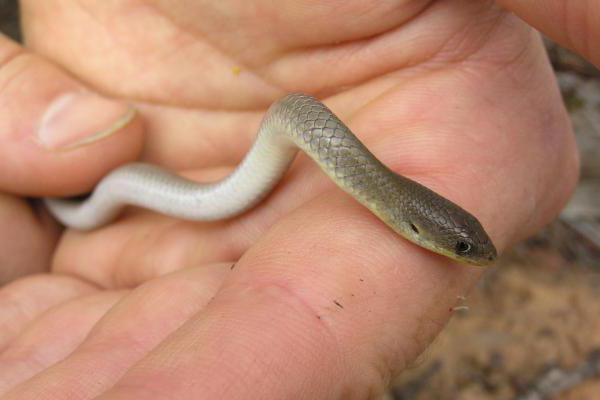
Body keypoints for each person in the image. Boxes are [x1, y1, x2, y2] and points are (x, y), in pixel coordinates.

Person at [0, 1, 586, 398]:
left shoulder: (368, 169)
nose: (467, 251)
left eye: (462, 242)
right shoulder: (327, 140)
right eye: (459, 243)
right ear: (414, 226)